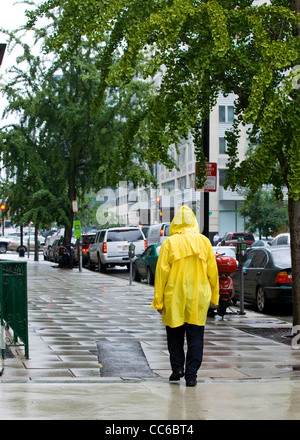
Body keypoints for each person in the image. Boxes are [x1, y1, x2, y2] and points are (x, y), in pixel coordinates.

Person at [152, 205, 219, 387]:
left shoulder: (169, 244)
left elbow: (161, 274)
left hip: (174, 295)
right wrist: (215, 297)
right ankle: (191, 375)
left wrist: (158, 301)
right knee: (195, 336)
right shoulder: (204, 242)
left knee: (174, 334)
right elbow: (213, 272)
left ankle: (177, 369)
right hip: (198, 295)